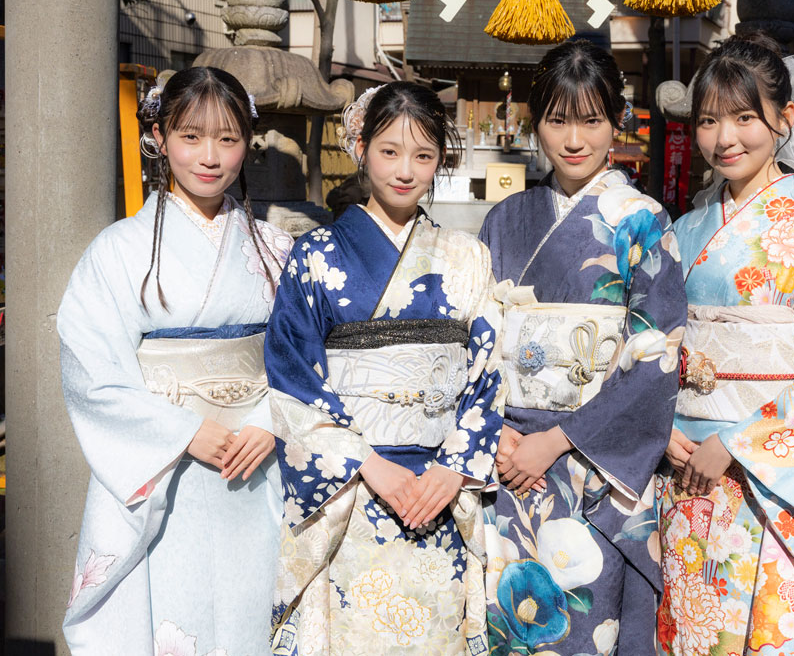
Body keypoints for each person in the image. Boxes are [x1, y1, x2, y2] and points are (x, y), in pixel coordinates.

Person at [656, 33, 794, 655]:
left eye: (744, 117)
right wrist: (662, 424)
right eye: (708, 121)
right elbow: (654, 342)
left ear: (784, 119)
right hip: (687, 465)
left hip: (770, 471)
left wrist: (737, 443)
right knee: (693, 628)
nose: (724, 138)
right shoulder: (685, 229)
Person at [265, 81, 504, 655]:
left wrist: (453, 470)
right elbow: (294, 375)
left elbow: (487, 373)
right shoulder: (315, 254)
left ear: (440, 160)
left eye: (423, 155)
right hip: (352, 490)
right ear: (360, 148)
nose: (405, 170)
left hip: (439, 491)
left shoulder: (467, 256)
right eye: (389, 151)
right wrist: (368, 465)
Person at [59, 67, 291, 654]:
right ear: (159, 138)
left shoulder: (277, 249)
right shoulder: (117, 251)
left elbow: (306, 357)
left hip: (258, 461)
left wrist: (270, 421)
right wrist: (183, 431)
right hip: (165, 468)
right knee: (169, 612)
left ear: (248, 143)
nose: (210, 157)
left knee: (256, 615)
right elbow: (93, 375)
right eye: (191, 136)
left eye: (228, 139)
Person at [478, 39, 687, 654]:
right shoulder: (505, 219)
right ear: (534, 122)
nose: (574, 140)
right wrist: (493, 430)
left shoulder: (643, 221)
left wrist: (556, 441)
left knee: (588, 621)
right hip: (510, 459)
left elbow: (656, 355)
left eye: (592, 120)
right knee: (512, 620)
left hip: (592, 464)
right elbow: (478, 338)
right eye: (557, 120)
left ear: (617, 120)